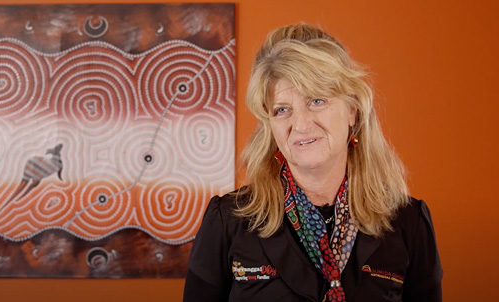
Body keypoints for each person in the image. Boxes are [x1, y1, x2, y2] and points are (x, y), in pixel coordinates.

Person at [183, 23, 442, 302]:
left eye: (317, 100)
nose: (302, 125)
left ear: (352, 109)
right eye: (282, 110)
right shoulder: (228, 220)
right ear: (269, 123)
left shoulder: (408, 222)